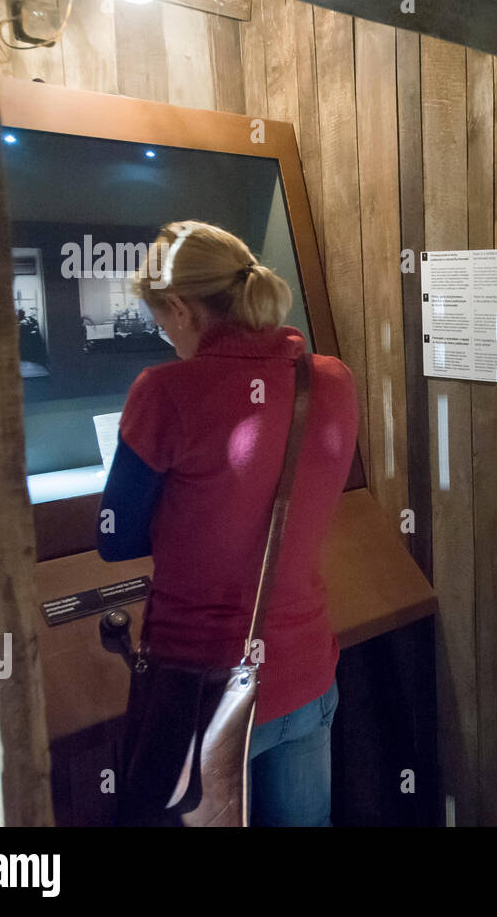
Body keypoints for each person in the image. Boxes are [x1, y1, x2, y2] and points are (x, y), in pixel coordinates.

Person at [97, 220, 359, 824]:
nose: (164, 335)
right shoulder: (331, 380)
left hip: (199, 693)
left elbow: (113, 539)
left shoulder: (164, 392)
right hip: (306, 674)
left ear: (181, 308)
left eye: (161, 320)